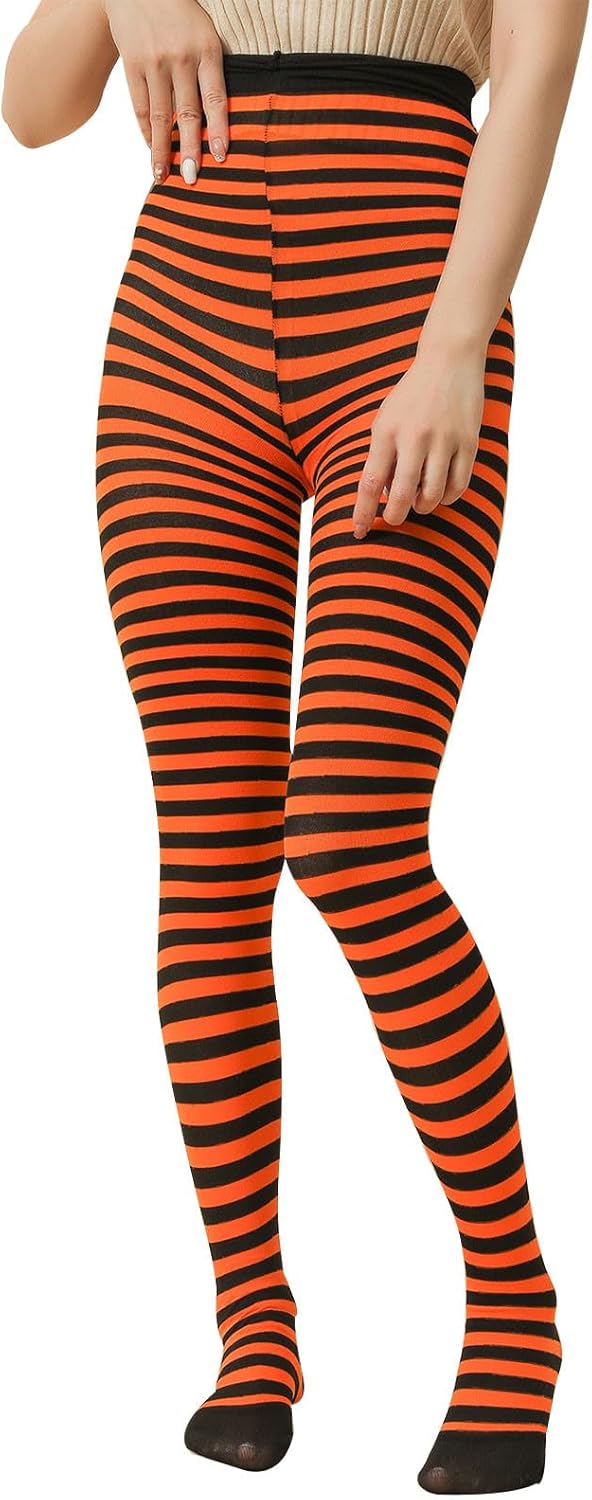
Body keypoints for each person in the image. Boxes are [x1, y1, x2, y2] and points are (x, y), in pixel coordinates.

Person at [2, 0, 587, 1491]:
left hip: (406, 306)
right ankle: (253, 1325)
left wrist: (458, 344)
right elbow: (34, 107)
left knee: (351, 837)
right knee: (208, 858)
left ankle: (516, 1306)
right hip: (179, 343)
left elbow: (534, 73)